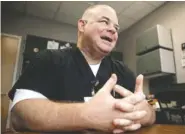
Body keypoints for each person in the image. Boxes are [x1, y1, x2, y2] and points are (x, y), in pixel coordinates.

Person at [9, 4, 155, 133]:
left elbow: (151, 112)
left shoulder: (122, 70)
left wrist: (140, 112)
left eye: (116, 28)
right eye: (105, 21)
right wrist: (87, 115)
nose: (113, 30)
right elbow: (19, 115)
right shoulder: (48, 59)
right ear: (82, 25)